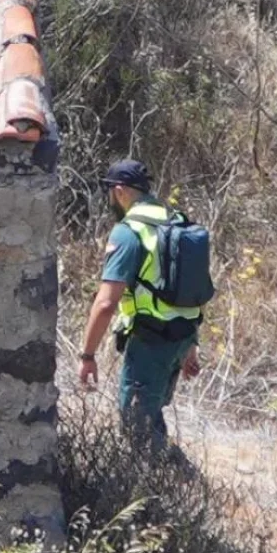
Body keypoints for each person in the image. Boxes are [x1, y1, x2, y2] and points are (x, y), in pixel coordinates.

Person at [78, 160, 201, 449]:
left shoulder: (129, 231)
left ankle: (159, 475)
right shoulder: (177, 221)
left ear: (119, 191)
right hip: (181, 337)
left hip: (150, 342)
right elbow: (191, 289)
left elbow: (106, 303)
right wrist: (191, 345)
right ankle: (170, 473)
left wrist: (87, 356)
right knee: (151, 417)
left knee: (138, 429)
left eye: (110, 192)